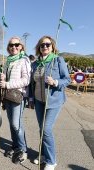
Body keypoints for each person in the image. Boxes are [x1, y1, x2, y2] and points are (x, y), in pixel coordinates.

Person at [29, 35, 71, 170]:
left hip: (53, 101)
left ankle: (51, 161)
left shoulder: (58, 60)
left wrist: (55, 82)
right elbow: (31, 83)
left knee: (46, 129)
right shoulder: (35, 63)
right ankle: (43, 154)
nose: (45, 47)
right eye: (42, 45)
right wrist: (30, 99)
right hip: (38, 101)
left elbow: (67, 79)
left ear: (52, 46)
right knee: (42, 130)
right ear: (39, 48)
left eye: (47, 44)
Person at [0, 37, 31, 164]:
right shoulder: (8, 60)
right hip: (8, 95)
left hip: (18, 95)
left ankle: (23, 150)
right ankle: (15, 145)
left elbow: (26, 80)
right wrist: (2, 76)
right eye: (11, 45)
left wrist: (8, 84)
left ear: (21, 46)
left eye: (16, 44)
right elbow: (7, 77)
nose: (14, 47)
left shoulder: (24, 60)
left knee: (16, 124)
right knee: (11, 123)